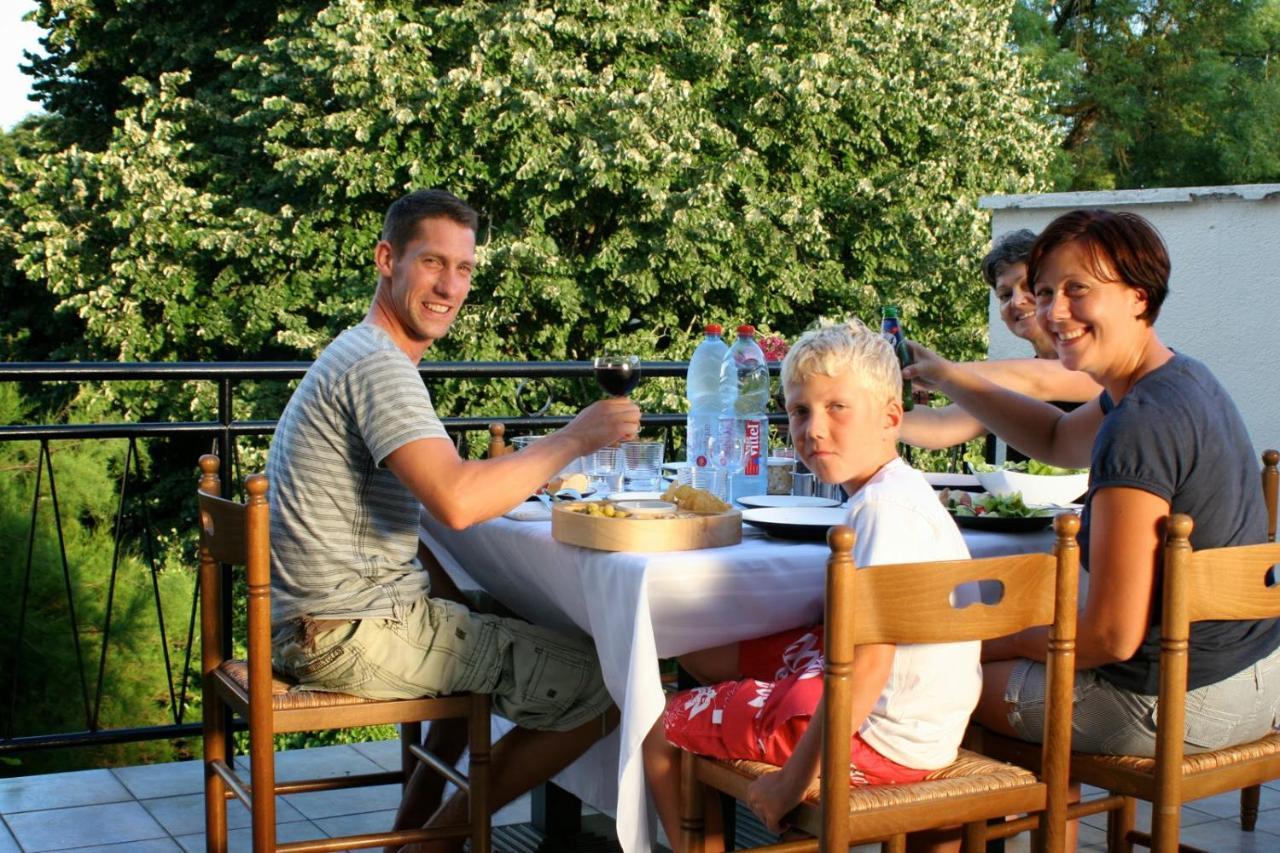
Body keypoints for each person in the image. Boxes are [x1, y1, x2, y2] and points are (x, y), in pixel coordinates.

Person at [264, 189, 641, 853]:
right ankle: (432, 844)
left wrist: (536, 466)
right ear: (387, 259)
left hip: (319, 618)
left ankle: (408, 831)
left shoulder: (360, 353)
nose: (449, 285)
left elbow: (436, 499)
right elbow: (459, 501)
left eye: (463, 268)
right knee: (613, 678)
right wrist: (575, 437)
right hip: (345, 633)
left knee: (493, 609)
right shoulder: (378, 366)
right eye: (433, 262)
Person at [905, 208, 1280, 761]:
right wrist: (948, 376)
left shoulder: (1140, 424)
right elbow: (1056, 437)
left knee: (927, 687)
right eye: (1046, 291)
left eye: (1077, 290)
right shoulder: (1179, 377)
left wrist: (988, 641)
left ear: (1138, 296)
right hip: (1258, 678)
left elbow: (1110, 636)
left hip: (1175, 701)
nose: (1054, 312)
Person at [642, 320, 980, 851]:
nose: (814, 429)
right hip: (919, 719)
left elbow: (868, 667)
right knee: (703, 656)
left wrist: (788, 784)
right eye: (801, 411)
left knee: (655, 723)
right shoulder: (901, 491)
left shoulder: (883, 513)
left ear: (892, 415)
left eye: (836, 408)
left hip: (879, 737)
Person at [899, 230, 1099, 451]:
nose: (1017, 301)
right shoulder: (1013, 381)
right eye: (1005, 295)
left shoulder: (1096, 366)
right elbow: (939, 427)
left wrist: (933, 372)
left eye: (1029, 286)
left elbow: (1038, 380)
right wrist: (869, 402)